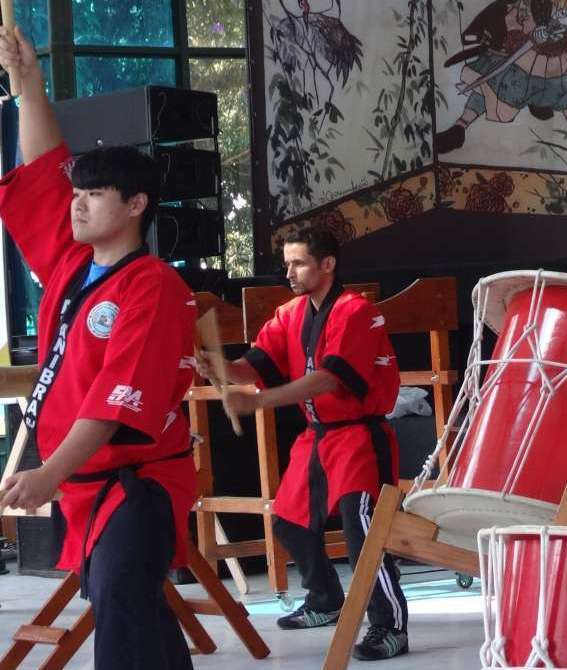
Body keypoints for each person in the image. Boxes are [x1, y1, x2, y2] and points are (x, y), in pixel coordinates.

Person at [0, 25, 198, 669]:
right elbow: (39, 168)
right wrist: (26, 84)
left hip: (135, 487)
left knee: (122, 610)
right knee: (133, 614)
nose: (77, 205)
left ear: (136, 204)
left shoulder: (154, 287)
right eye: (77, 194)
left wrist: (46, 474)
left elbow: (114, 403)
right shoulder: (70, 264)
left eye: (92, 195)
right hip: (88, 485)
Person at [197, 227, 409, 661]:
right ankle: (325, 600)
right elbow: (252, 365)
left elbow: (329, 377)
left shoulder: (356, 312)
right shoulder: (290, 313)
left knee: (364, 532)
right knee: (290, 520)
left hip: (359, 437)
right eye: (287, 263)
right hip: (317, 437)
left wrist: (260, 401)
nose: (289, 271)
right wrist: (216, 364)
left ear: (327, 264)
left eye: (299, 263)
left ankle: (389, 626)